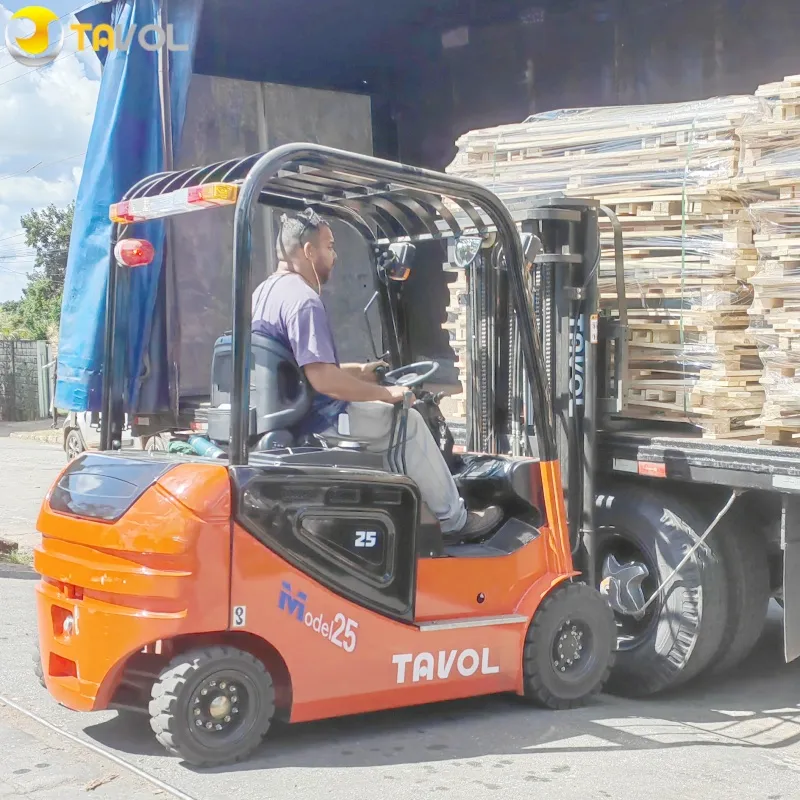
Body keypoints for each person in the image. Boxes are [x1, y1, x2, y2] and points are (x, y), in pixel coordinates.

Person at [251, 209, 503, 542]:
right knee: (409, 422)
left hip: (294, 412)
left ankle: (410, 513)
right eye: (329, 246)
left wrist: (361, 373)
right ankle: (453, 520)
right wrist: (387, 394)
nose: (335, 255)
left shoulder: (265, 293)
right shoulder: (303, 300)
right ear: (308, 251)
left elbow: (302, 369)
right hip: (320, 420)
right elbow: (323, 381)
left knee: (390, 416)